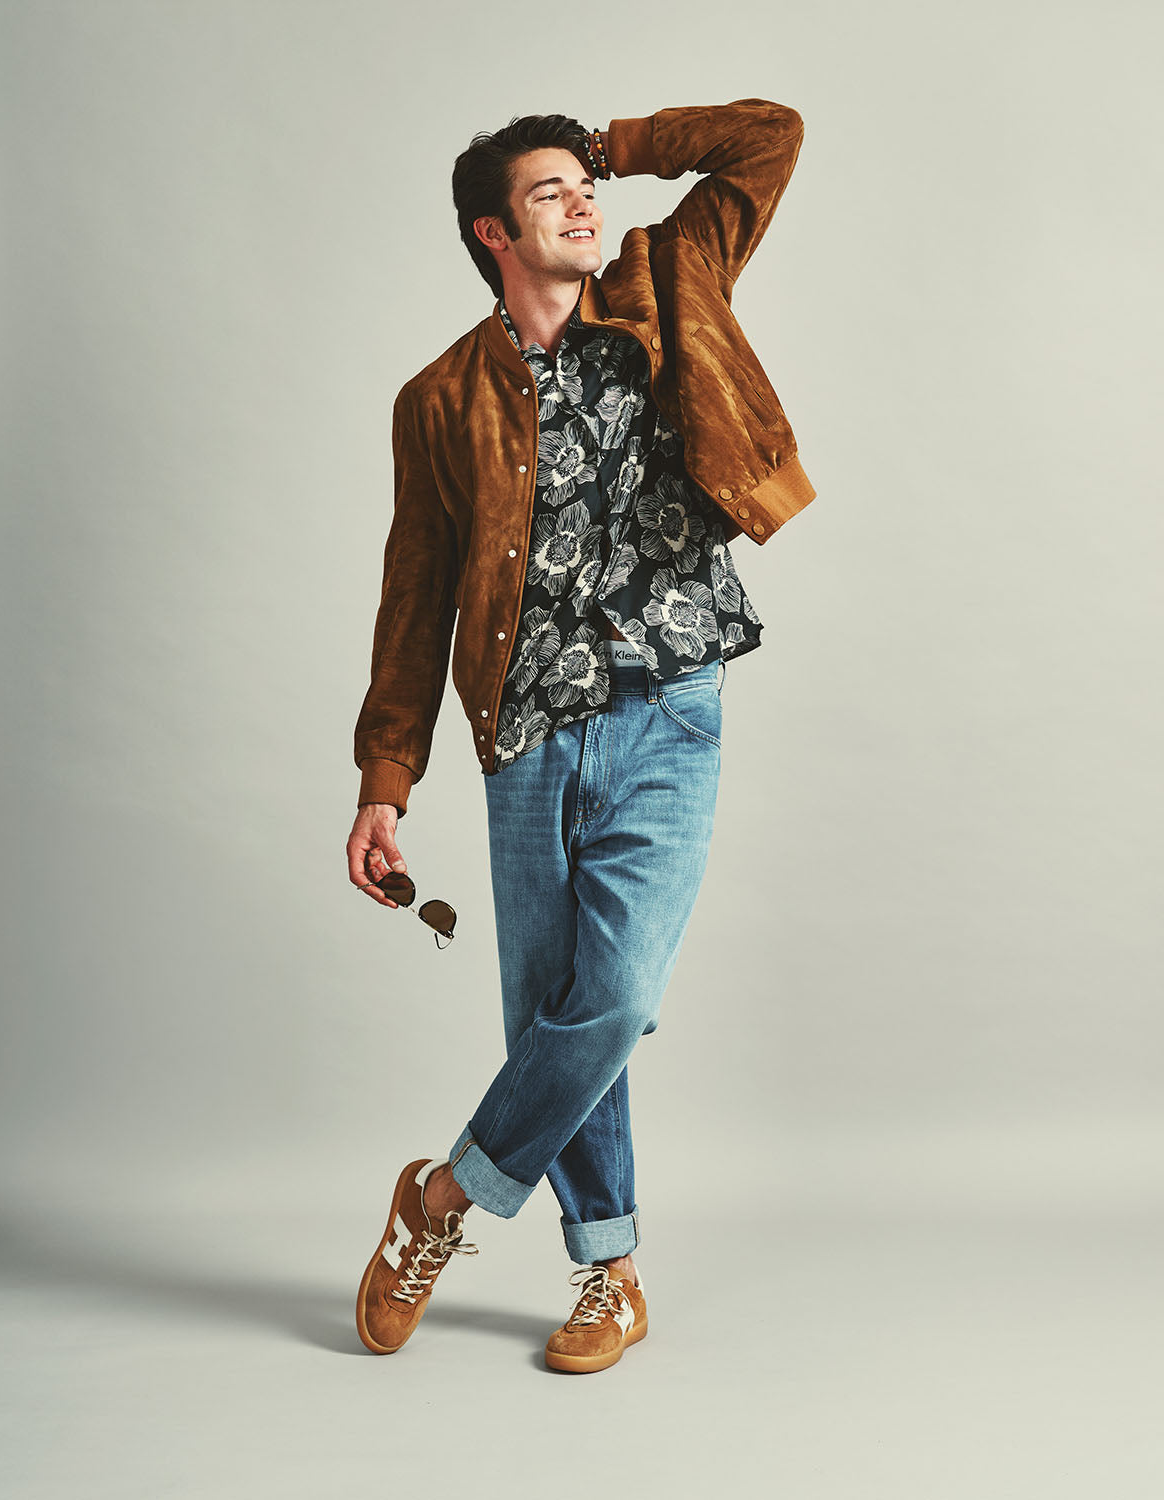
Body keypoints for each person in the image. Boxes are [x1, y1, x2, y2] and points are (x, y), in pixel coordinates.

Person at [348, 99, 815, 1373]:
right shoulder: (440, 398)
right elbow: (414, 597)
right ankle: (609, 1271)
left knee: (612, 1001)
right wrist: (386, 780)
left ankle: (442, 1199)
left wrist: (612, 145)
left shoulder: (668, 279)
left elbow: (770, 137)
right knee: (551, 1011)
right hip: (528, 731)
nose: (581, 203)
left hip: (670, 704)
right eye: (547, 192)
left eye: (584, 186)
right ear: (492, 235)